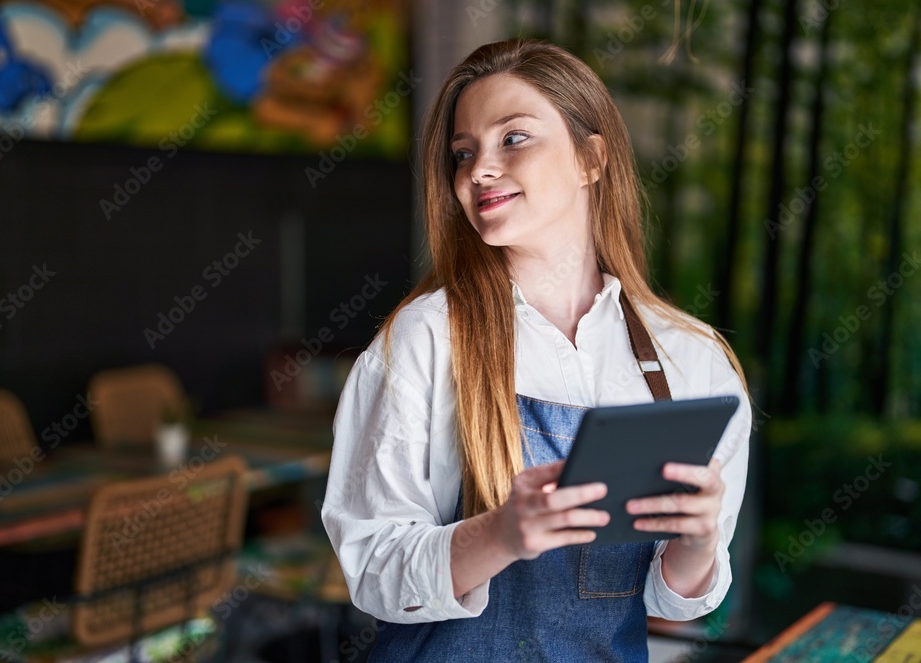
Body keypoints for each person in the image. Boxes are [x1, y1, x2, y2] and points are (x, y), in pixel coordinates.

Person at [321, 38, 752, 661]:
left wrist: (699, 541)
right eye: (462, 154)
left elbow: (672, 599)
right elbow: (373, 573)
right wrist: (501, 532)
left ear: (591, 159)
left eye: (513, 138)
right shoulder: (424, 338)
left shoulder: (693, 359)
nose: (478, 171)